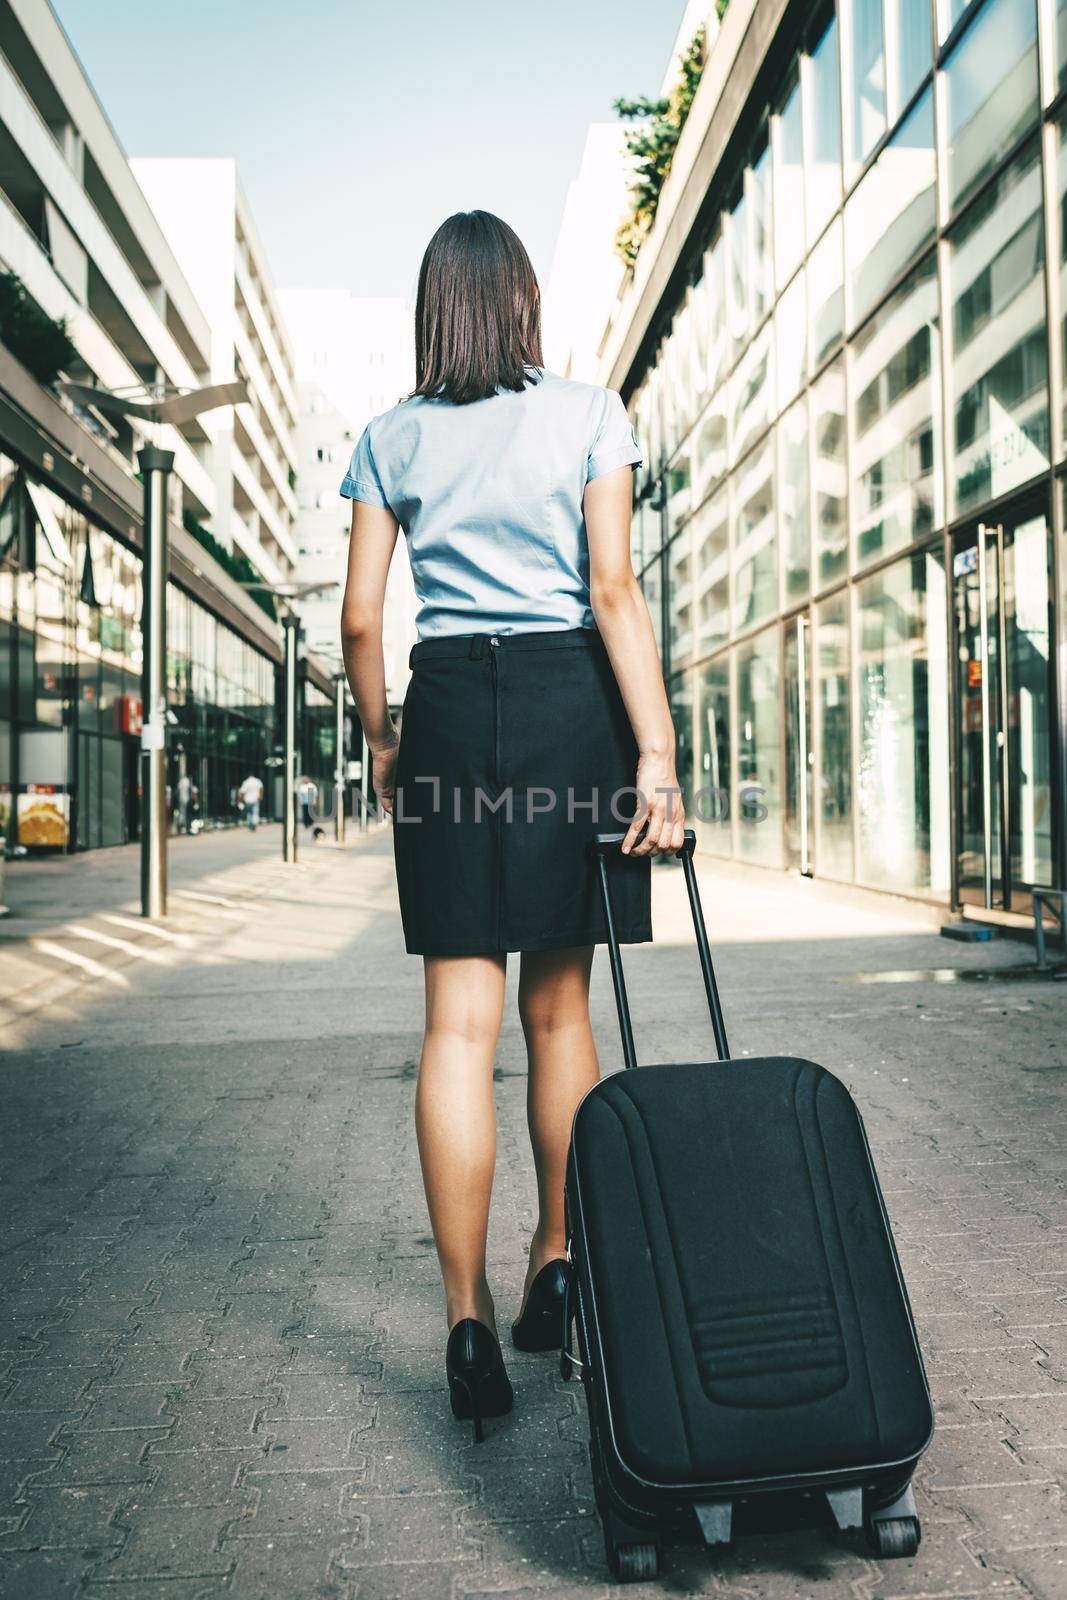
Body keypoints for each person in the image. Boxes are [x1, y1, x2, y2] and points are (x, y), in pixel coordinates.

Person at [339, 210, 684, 1441]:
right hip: (564, 708)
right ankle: (554, 1255)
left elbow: (367, 622)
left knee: (456, 1021)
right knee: (557, 1011)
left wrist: (386, 735)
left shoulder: (390, 435)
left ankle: (464, 1314)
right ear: (524, 301)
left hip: (444, 709)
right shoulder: (590, 414)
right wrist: (652, 750)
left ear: (432, 308)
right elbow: (611, 588)